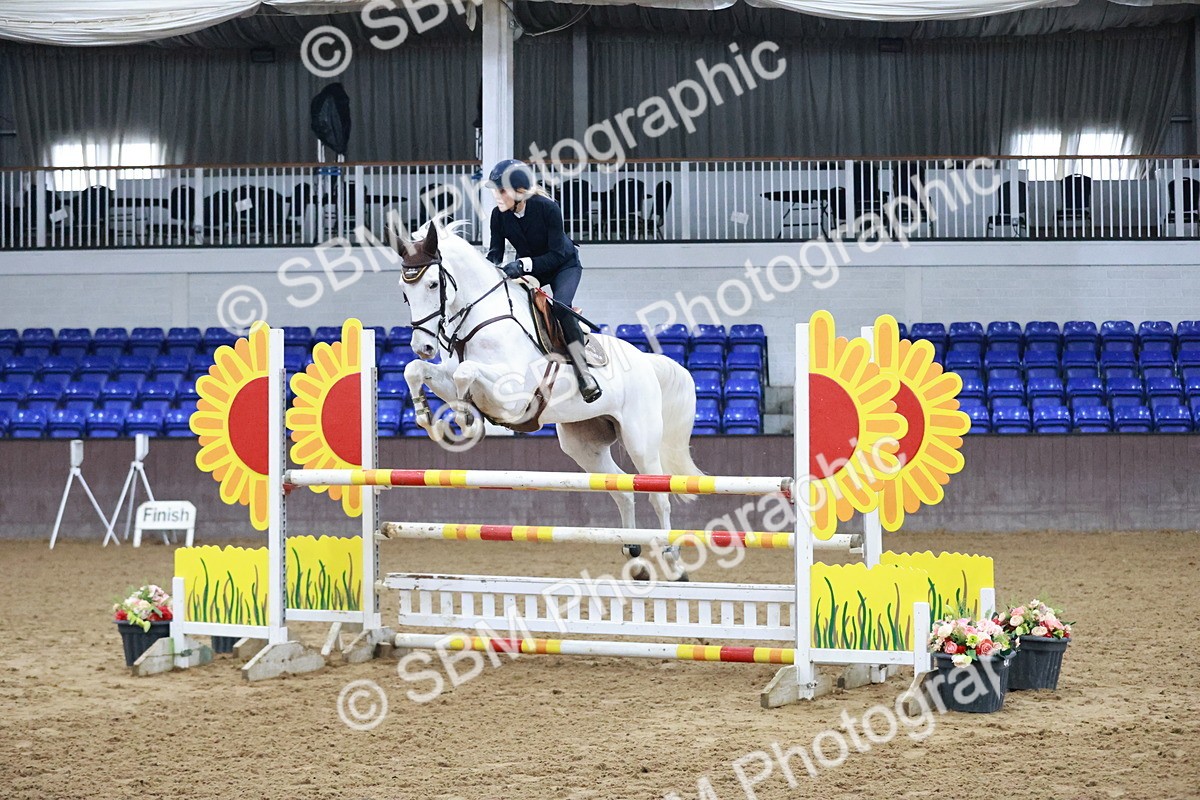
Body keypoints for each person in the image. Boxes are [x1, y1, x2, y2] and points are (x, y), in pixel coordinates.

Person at [485, 158, 602, 403]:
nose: (496, 196)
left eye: (501, 190)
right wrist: (486, 268)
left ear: (519, 191)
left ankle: (584, 374)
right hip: (531, 270)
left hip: (563, 266)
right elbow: (495, 252)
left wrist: (523, 265)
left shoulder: (548, 208)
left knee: (560, 306)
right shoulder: (499, 216)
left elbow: (557, 254)